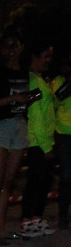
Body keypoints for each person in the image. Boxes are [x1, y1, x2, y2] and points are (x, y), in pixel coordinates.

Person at [0, 28, 34, 245]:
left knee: (8, 181)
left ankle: (0, 230)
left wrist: (27, 100)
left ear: (21, 47)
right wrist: (13, 98)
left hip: (20, 125)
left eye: (15, 45)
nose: (11, 51)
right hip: (1, 126)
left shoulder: (26, 71)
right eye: (7, 46)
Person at [19, 41, 56, 237]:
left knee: (43, 181)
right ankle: (27, 221)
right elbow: (36, 116)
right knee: (35, 181)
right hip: (37, 141)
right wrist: (45, 145)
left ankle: (36, 219)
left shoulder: (40, 79)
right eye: (45, 57)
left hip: (44, 139)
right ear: (34, 57)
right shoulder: (32, 81)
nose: (48, 61)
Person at [53, 51, 71, 230]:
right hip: (64, 132)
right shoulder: (59, 81)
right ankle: (63, 215)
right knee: (66, 175)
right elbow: (58, 98)